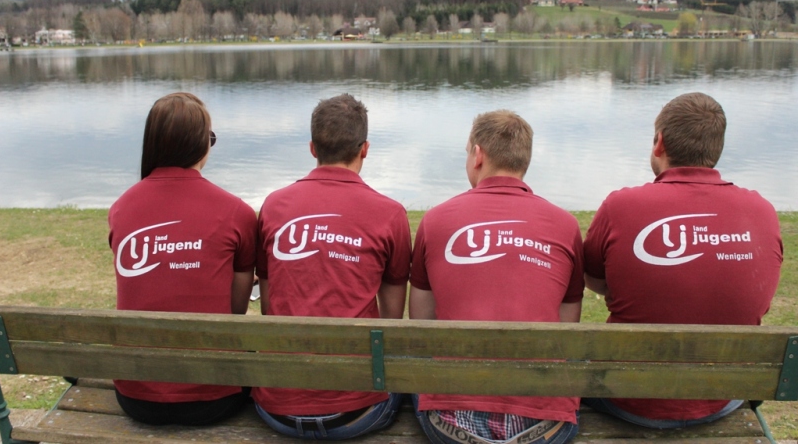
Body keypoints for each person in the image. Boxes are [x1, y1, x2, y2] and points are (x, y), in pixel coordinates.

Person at [583, 92, 783, 428]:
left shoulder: (621, 206)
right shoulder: (761, 211)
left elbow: (592, 279)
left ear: (659, 143)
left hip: (628, 398)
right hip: (721, 397)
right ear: (717, 148)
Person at [409, 110, 584, 444]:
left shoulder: (435, 220)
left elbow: (421, 325)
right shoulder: (565, 224)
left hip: (450, 424)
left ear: (478, 155)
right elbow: (567, 327)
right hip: (544, 426)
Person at [254, 93, 411, 440]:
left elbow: (268, 306)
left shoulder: (274, 205)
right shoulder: (390, 214)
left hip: (278, 408)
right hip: (358, 412)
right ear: (365, 149)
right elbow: (390, 324)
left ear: (312, 148)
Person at [108, 92, 258, 425]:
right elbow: (235, 311)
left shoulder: (121, 209)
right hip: (213, 399)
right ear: (202, 144)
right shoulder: (237, 212)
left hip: (136, 398)